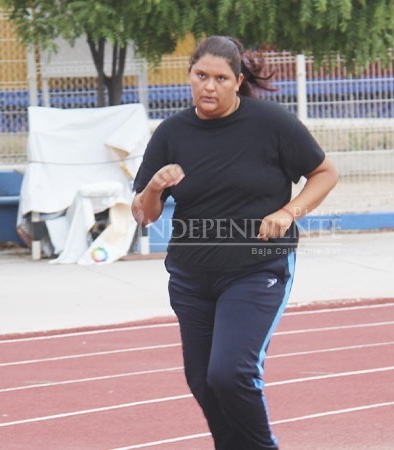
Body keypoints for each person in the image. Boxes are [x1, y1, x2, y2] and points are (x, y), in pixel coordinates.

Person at [131, 35, 338, 450]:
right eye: (201, 75)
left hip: (257, 267)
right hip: (191, 276)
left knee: (230, 373)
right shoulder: (172, 133)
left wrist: (287, 212)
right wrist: (154, 187)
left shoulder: (270, 124)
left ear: (238, 81)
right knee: (203, 380)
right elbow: (143, 214)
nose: (209, 86)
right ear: (188, 76)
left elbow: (325, 173)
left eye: (220, 78)